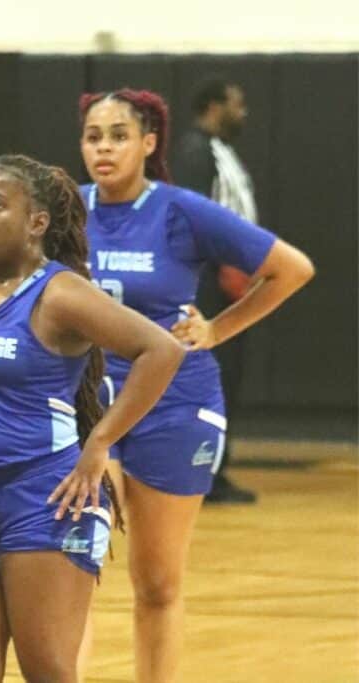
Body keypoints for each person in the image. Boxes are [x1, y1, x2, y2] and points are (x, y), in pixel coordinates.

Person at [79, 88, 314, 683]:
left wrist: (217, 329)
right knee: (71, 567)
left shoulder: (181, 210)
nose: (103, 148)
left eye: (118, 135)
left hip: (174, 405)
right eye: (93, 136)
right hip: (87, 407)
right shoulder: (65, 212)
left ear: (149, 142)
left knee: (156, 581)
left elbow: (292, 268)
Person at [0, 154, 184, 683]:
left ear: (37, 223)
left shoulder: (59, 292)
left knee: (47, 668)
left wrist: (100, 443)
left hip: (43, 495)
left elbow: (160, 351)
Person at [172, 76, 257, 503]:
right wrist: (224, 267)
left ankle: (216, 470)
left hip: (231, 285)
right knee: (211, 377)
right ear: (213, 106)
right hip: (210, 288)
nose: (243, 112)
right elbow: (196, 216)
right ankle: (203, 472)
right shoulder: (196, 152)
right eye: (236, 103)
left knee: (228, 377)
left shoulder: (222, 152)